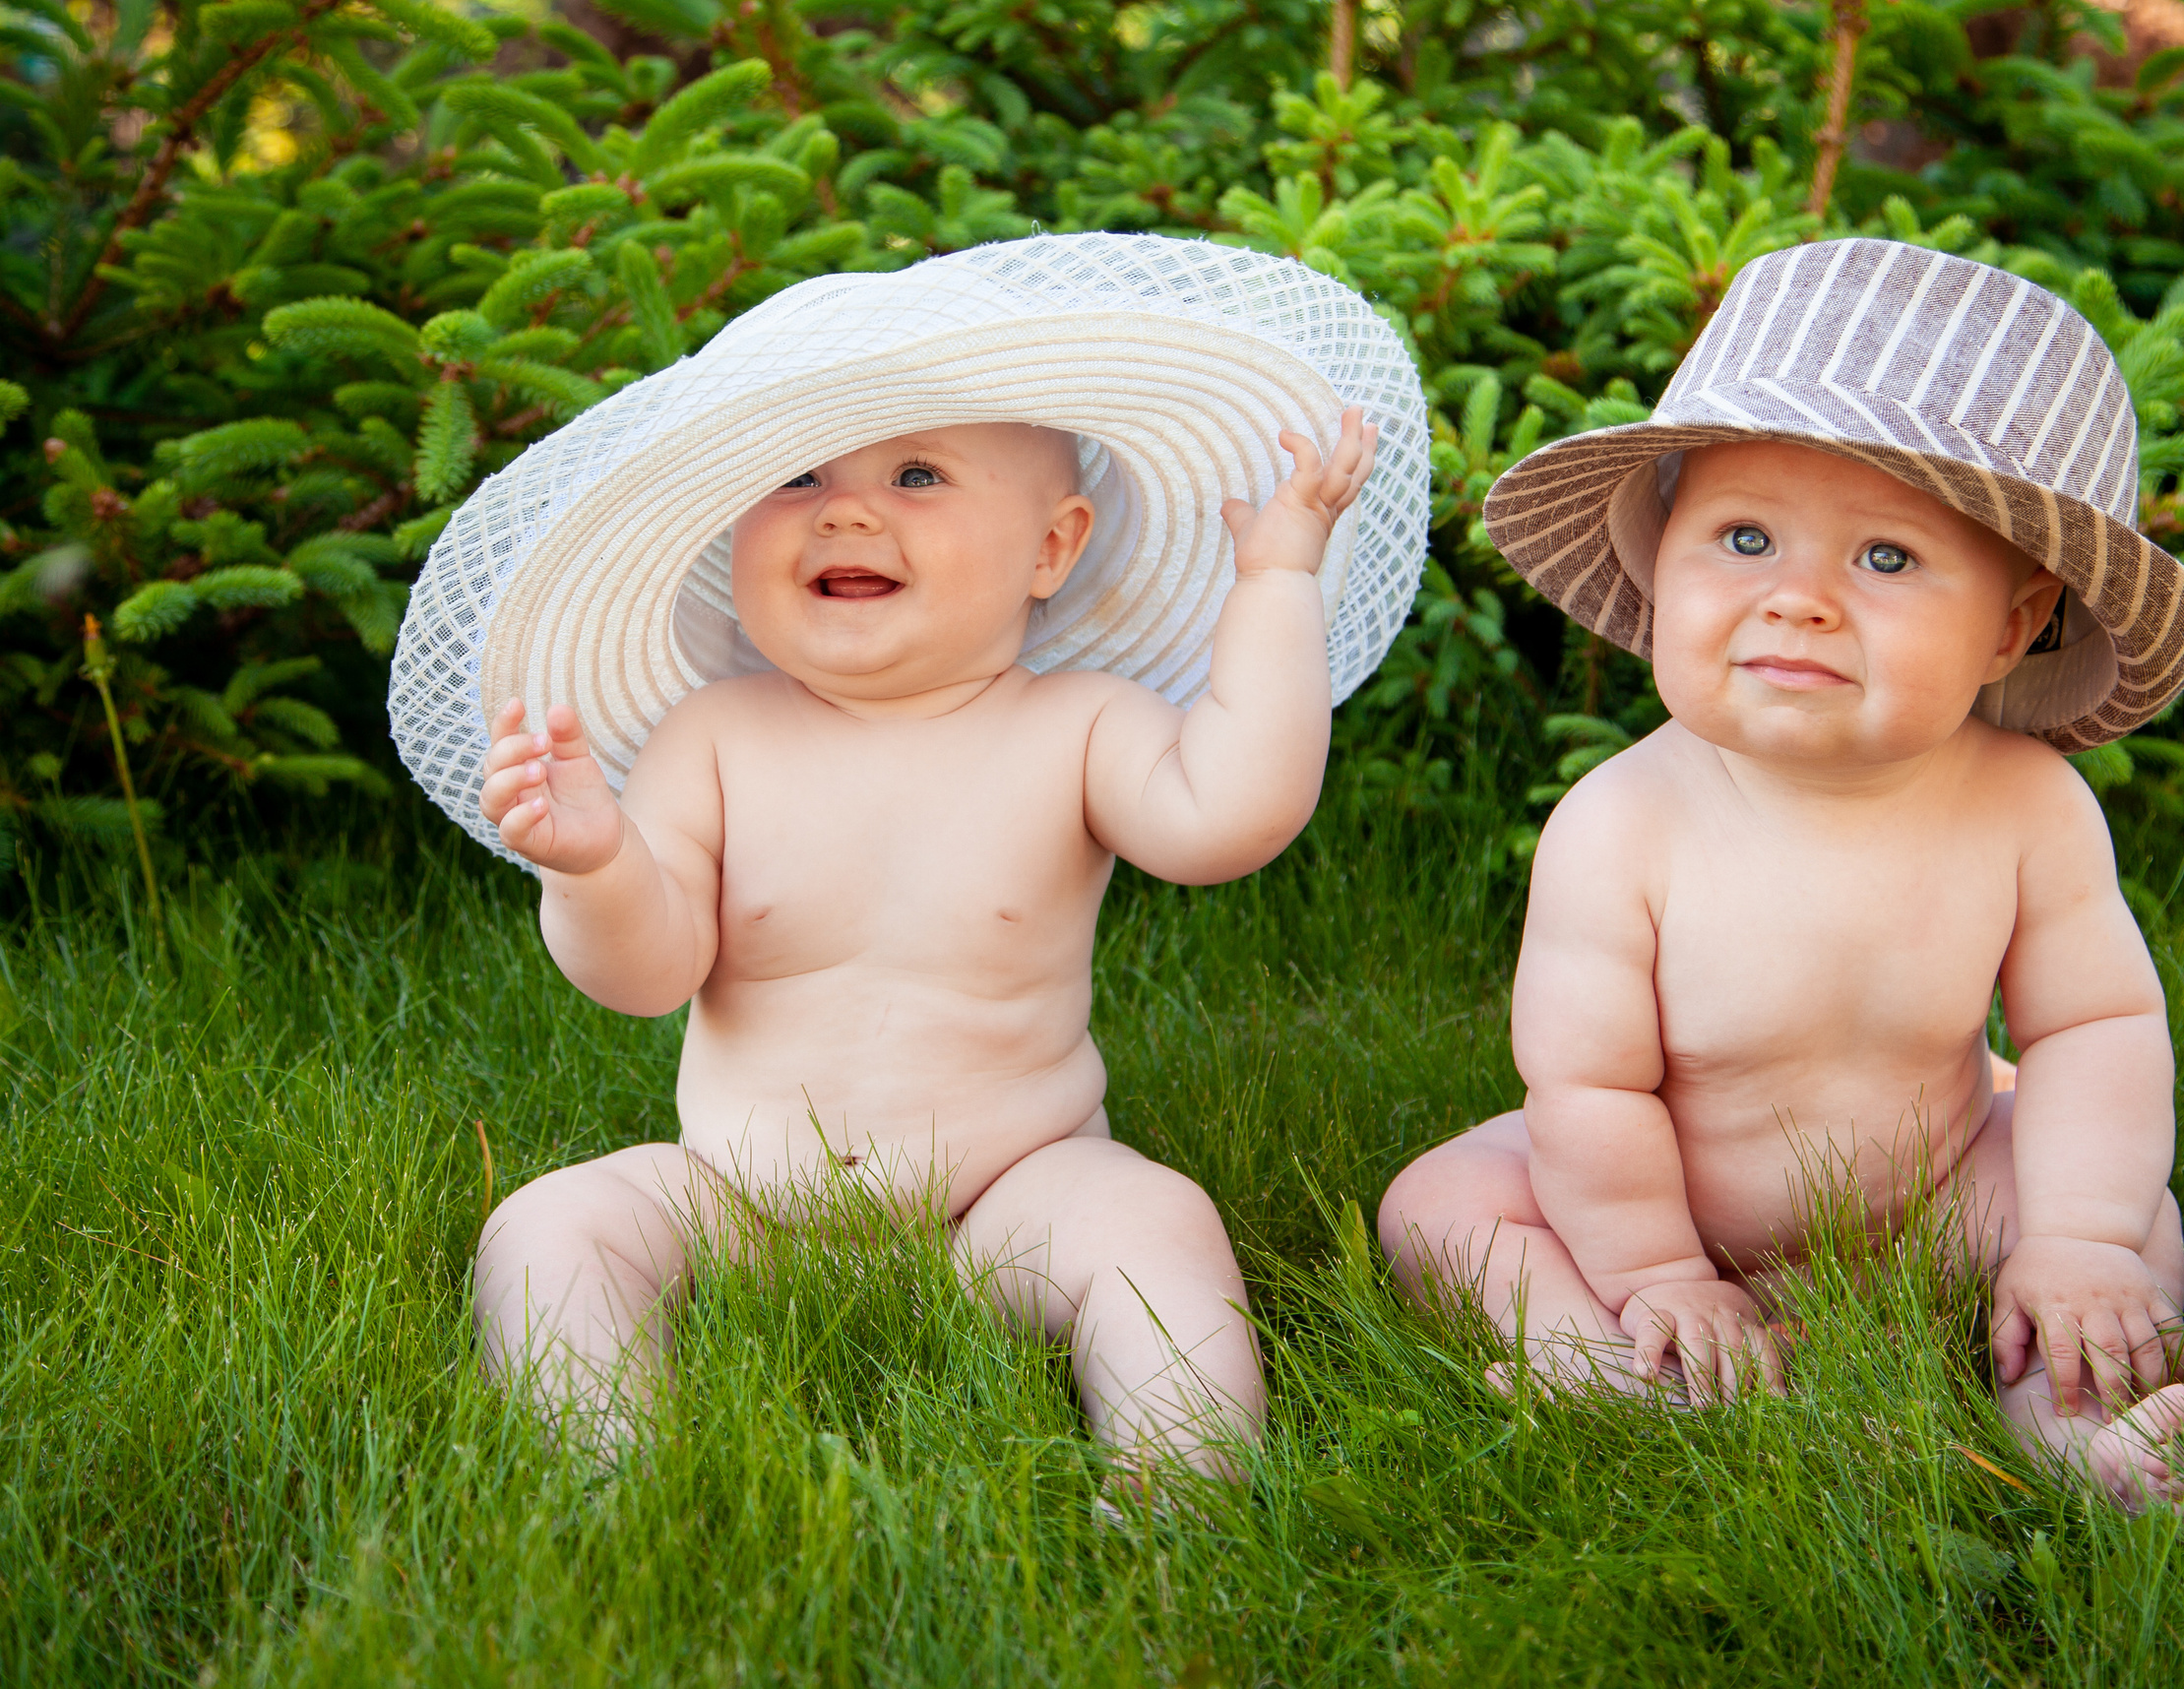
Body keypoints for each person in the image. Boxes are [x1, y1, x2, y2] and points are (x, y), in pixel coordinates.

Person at [386, 234, 1428, 1481]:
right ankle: (611, 1475)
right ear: (734, 537)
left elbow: (1230, 820)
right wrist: (596, 865)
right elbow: (646, 974)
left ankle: (1178, 1496)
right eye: (799, 475)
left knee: (1155, 1221)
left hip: (1011, 1197)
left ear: (1052, 547)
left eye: (919, 472)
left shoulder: (1076, 725)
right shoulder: (711, 738)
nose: (847, 506)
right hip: (742, 1207)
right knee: (549, 1223)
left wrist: (1271, 584)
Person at [1378, 239, 2184, 1512]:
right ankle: (1605, 1359)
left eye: (1885, 559)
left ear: (2013, 622)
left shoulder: (2025, 804)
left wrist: (2078, 1235)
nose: (1800, 602)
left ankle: (2061, 1421)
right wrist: (1660, 1268)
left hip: (1930, 1194)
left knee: (2133, 1217)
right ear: (1663, 564)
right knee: (1443, 1202)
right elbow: (1589, 1084)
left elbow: (2094, 1026)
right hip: (1660, 1202)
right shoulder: (1622, 824)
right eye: (1746, 537)